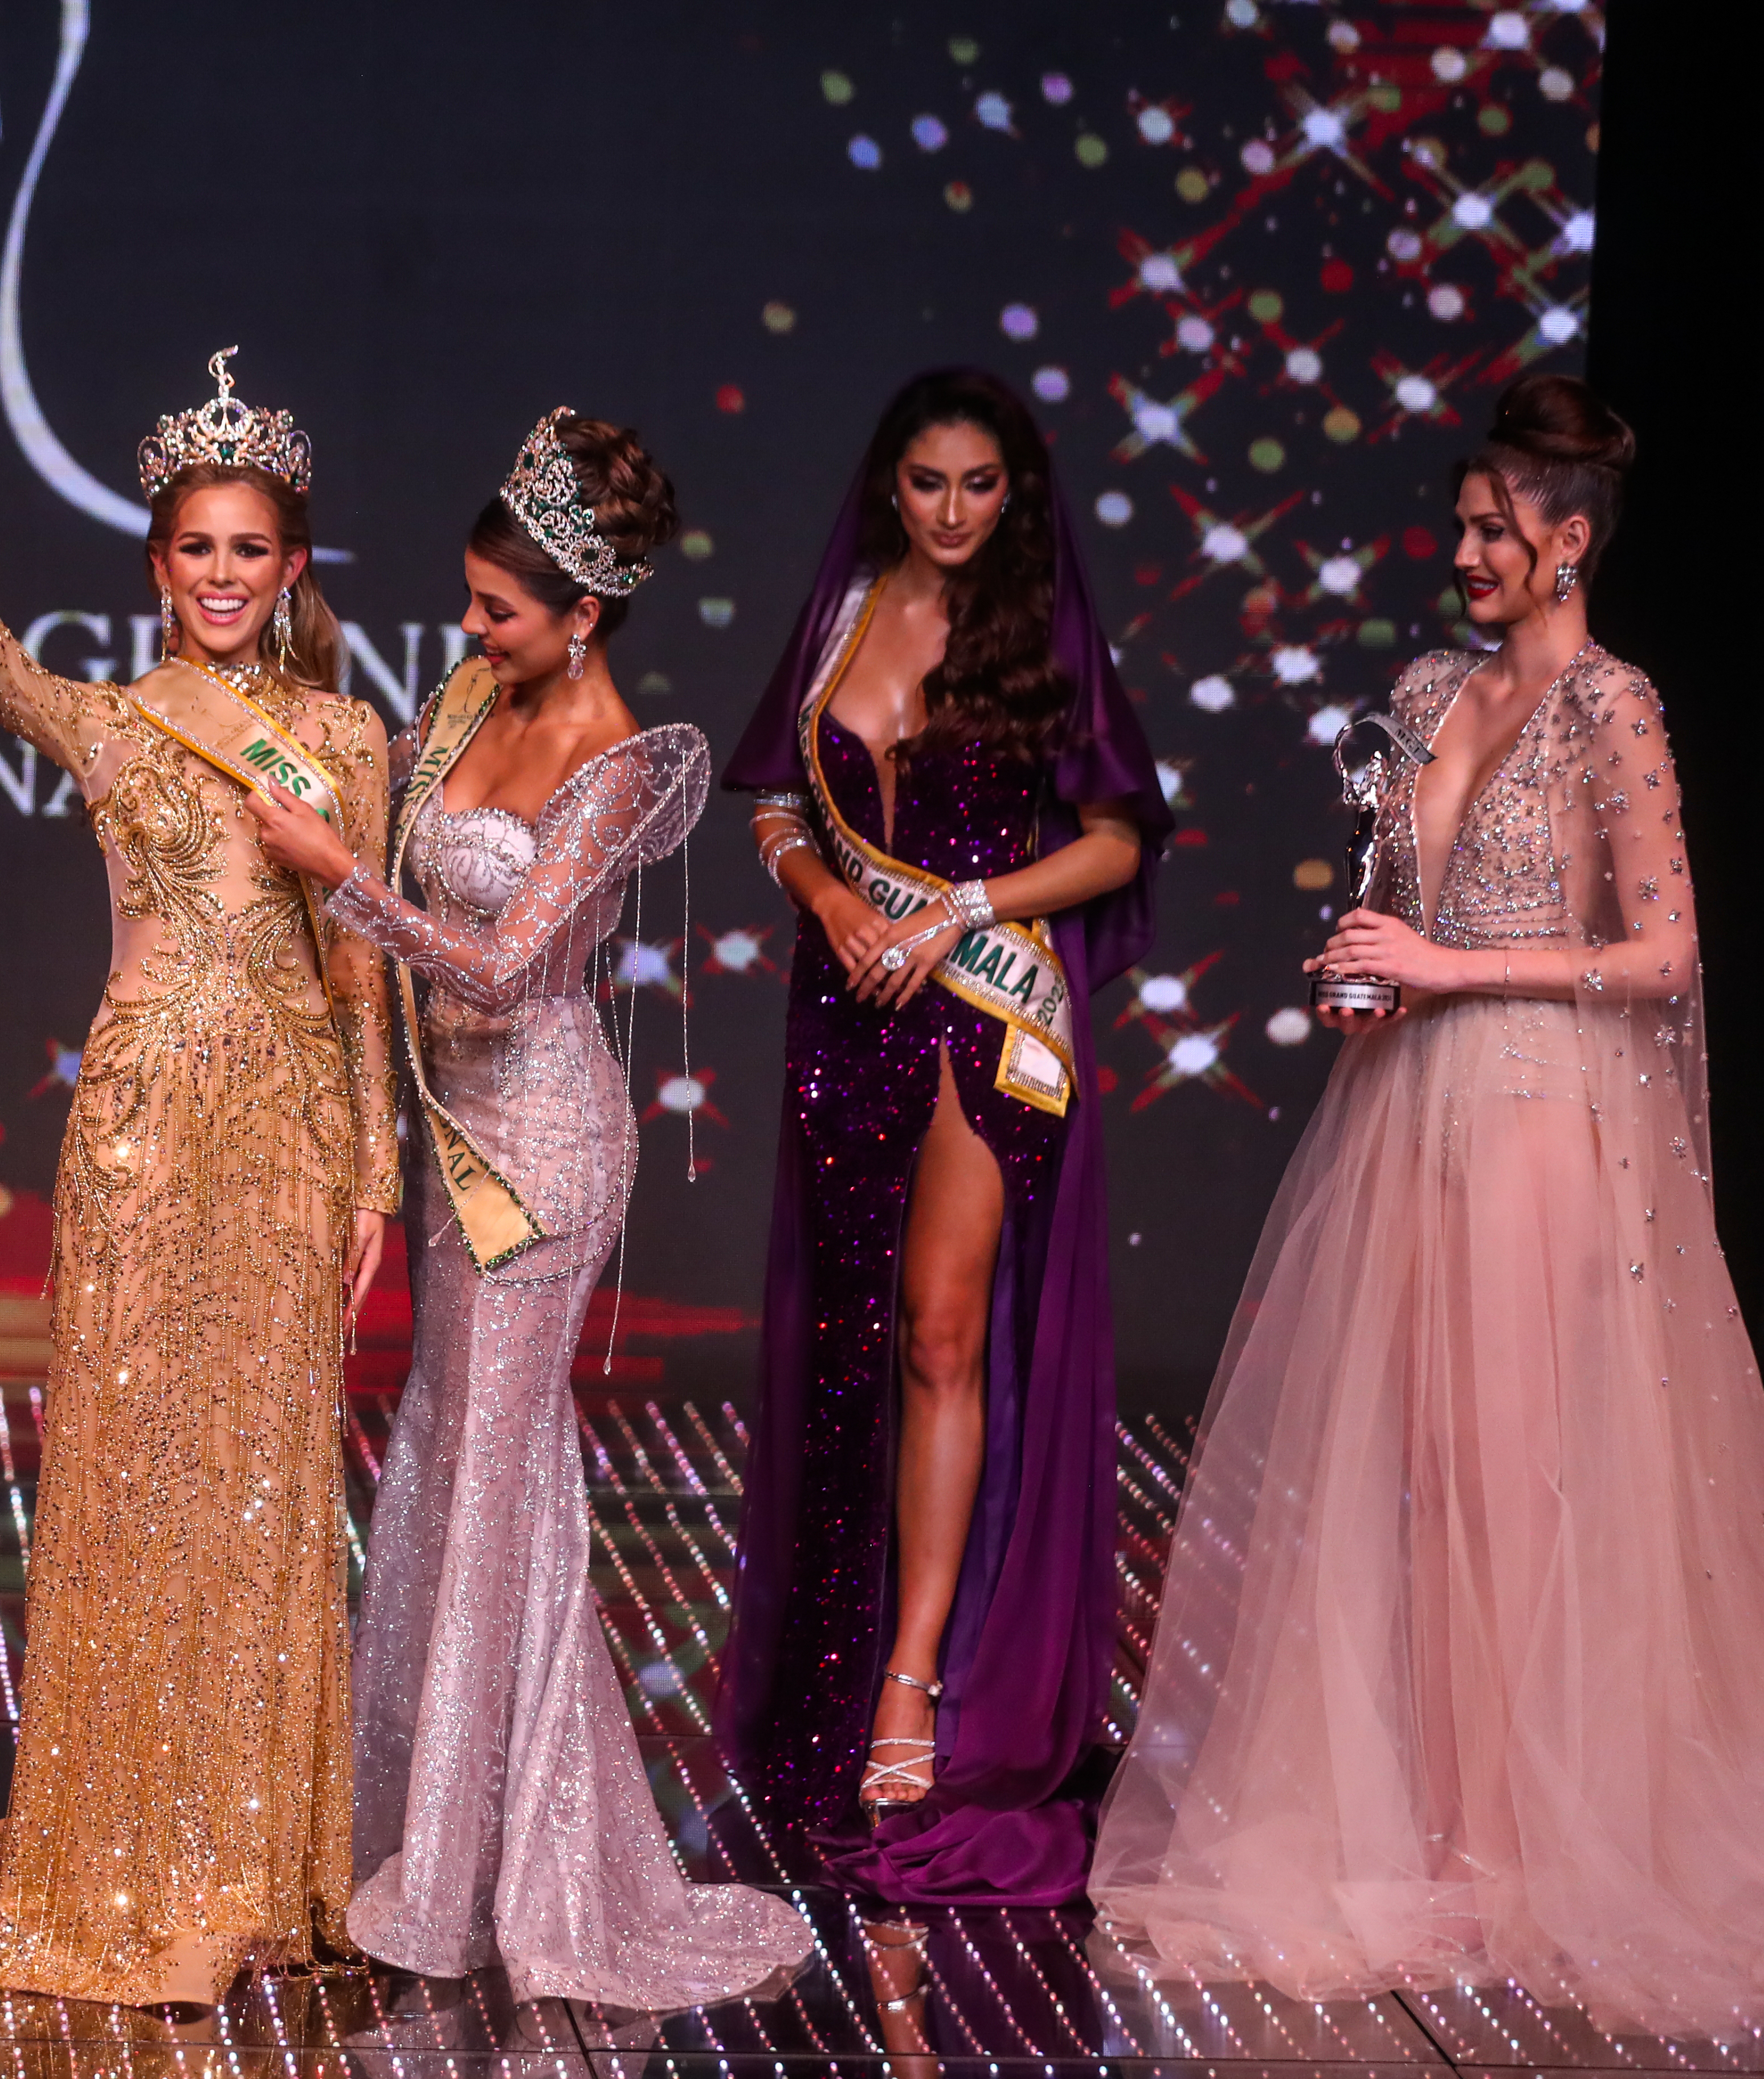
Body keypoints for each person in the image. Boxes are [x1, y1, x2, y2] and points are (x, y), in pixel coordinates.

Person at [1091, 374, 1764, 2030]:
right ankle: (1450, 1836)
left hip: (1540, 1109)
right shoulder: (1425, 687)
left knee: (1521, 1477)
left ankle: (1533, 1848)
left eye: (1493, 526)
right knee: (1419, 1467)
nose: (1463, 548)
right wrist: (1372, 969)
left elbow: (1668, 951)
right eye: (1462, 521)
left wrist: (1453, 968)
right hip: (1410, 1112)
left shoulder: (1617, 707)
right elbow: (1392, 898)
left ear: (1569, 541)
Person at [248, 411, 817, 2005]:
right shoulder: (473, 695)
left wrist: (337, 877)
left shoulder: (624, 763)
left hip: (546, 1150)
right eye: (471, 602)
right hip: (453, 1139)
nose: (473, 631)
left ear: (586, 613)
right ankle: (444, 1842)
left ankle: (491, 1878)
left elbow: (506, 969)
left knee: (496, 1483)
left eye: (501, 611)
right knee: (456, 1464)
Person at [0, 300, 400, 2008]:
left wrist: (378, 1163)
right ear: (160, 557)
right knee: (130, 1493)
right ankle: (112, 1866)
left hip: (285, 1144)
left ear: (296, 559)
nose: (224, 574)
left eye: (252, 549)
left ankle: (241, 1877)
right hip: (141, 1137)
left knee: (262, 1495)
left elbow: (358, 967)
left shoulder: (342, 742)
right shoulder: (112, 720)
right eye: (197, 548)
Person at [713, 369, 1169, 1906]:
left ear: (1013, 493)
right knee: (854, 1337)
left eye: (980, 485)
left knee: (942, 1334)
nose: (955, 512)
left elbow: (1117, 838)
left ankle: (914, 1675)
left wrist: (965, 909)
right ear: (889, 487)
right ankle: (841, 1660)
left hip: (984, 1015)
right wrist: (836, 902)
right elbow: (773, 797)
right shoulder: (844, 609)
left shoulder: (1043, 633)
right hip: (848, 1006)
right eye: (929, 483)